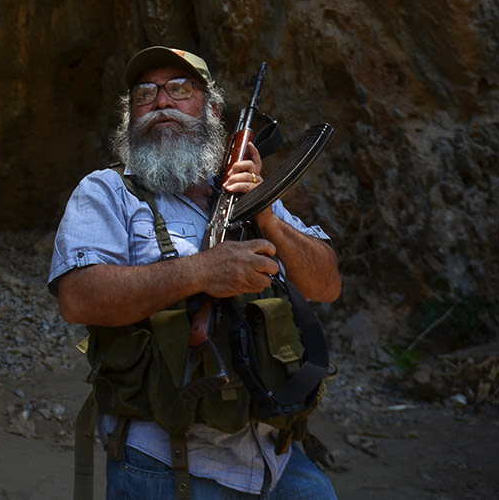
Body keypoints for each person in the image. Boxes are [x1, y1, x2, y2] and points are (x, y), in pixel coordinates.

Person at [49, 46, 341, 499]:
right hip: (165, 462)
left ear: (212, 111)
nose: (162, 101)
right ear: (130, 117)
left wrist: (265, 214)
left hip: (275, 455)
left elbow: (326, 285)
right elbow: (78, 297)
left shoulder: (250, 194)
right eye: (145, 94)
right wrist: (200, 271)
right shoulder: (106, 191)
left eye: (180, 89)